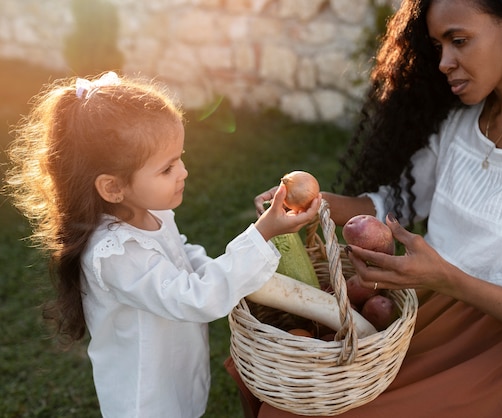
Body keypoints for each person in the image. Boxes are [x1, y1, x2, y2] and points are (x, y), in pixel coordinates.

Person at [243, 0, 502, 416]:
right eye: (438, 46)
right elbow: (396, 203)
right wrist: (321, 204)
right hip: (419, 304)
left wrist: (448, 278)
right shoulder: (462, 122)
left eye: (459, 41)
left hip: (500, 347)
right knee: (295, 393)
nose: (444, 62)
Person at [4, 71, 320, 418]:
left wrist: (232, 266)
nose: (183, 172)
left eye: (179, 157)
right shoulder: (116, 254)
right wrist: (260, 236)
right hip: (145, 397)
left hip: (173, 366)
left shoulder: (150, 211)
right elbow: (193, 297)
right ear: (112, 188)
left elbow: (181, 255)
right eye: (167, 168)